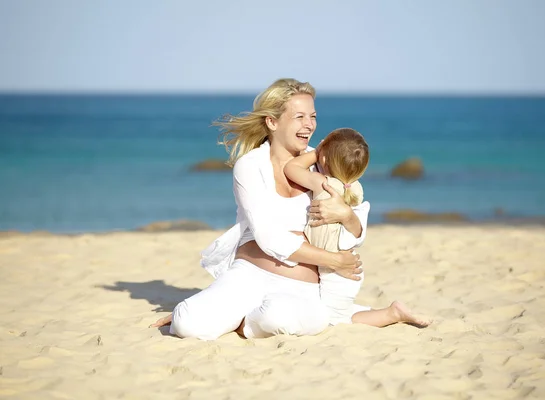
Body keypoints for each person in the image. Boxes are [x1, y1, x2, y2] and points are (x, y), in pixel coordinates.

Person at [151, 78, 426, 340]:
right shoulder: (250, 166)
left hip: (302, 289)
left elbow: (355, 226)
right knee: (187, 323)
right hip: (248, 277)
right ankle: (227, 314)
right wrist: (332, 260)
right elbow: (268, 237)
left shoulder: (326, 159)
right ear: (272, 121)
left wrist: (348, 215)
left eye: (313, 116)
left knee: (277, 317)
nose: (309, 125)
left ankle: (238, 321)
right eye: (300, 117)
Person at [284, 128, 431, 328]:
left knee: (334, 320)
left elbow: (291, 168)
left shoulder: (323, 184)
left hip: (336, 269)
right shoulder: (355, 189)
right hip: (345, 264)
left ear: (324, 160)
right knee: (339, 310)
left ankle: (392, 314)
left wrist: (316, 152)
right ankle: (389, 312)